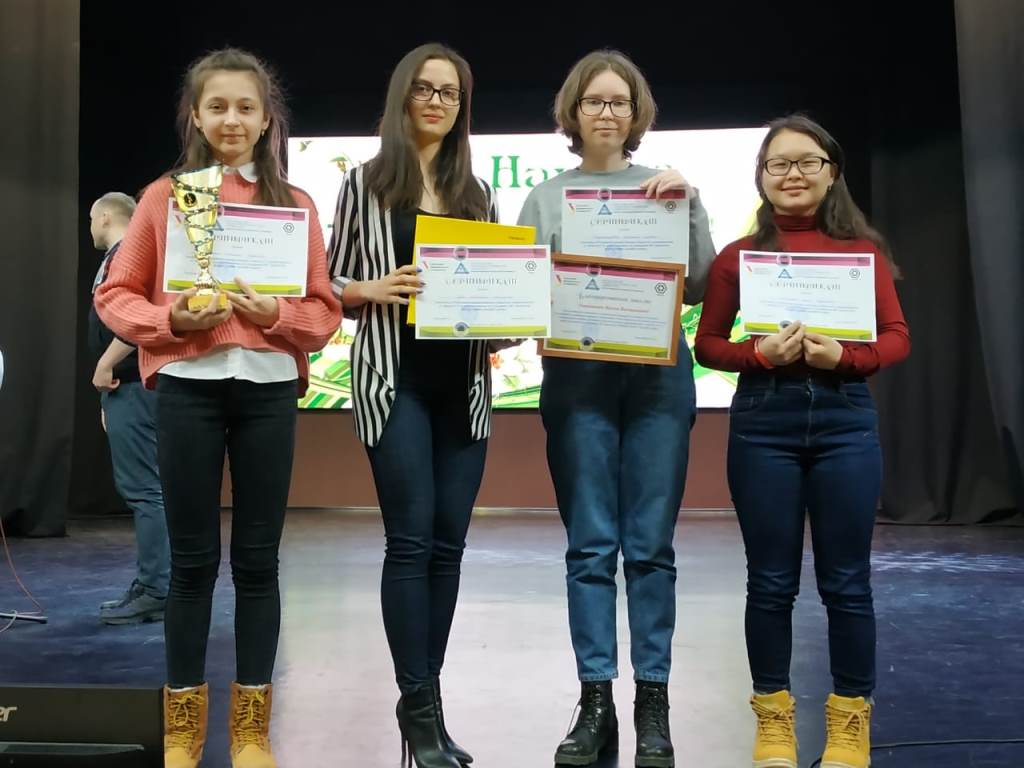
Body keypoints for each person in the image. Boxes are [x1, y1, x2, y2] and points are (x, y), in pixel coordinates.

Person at [95, 47, 341, 768]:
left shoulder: (295, 206)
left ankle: (252, 730)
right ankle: (182, 728)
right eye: (217, 107)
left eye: (245, 107)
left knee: (259, 563)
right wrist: (172, 321)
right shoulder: (165, 198)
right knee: (193, 563)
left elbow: (322, 314)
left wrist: (276, 315)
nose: (232, 119)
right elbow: (115, 294)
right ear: (195, 118)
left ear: (266, 120)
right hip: (189, 390)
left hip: (268, 391)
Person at [517, 49, 715, 768]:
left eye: (619, 102)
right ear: (573, 112)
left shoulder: (668, 188)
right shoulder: (545, 198)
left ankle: (652, 703)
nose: (607, 113)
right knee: (591, 545)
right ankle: (595, 700)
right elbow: (523, 292)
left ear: (637, 114)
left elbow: (700, 283)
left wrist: (690, 205)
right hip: (579, 382)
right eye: (594, 101)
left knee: (651, 546)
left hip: (659, 382)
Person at [694, 114, 911, 768]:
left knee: (847, 583)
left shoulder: (862, 254)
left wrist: (845, 357)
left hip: (845, 420)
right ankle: (774, 723)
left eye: (807, 162)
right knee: (770, 583)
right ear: (761, 177)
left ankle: (850, 723)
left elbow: (897, 337)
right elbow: (708, 345)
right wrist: (758, 354)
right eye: (778, 164)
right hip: (765, 422)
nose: (792, 174)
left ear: (831, 172)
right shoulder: (737, 257)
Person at [327, 42, 500, 768]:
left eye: (449, 93)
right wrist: (370, 290)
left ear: (462, 106)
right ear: (403, 97)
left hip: (464, 387)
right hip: (394, 382)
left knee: (449, 547)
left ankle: (425, 701)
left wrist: (511, 318)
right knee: (410, 542)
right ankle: (419, 707)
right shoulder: (363, 184)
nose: (436, 101)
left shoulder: (477, 192)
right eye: (425, 89)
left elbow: (496, 287)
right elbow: (327, 282)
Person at [88, 191, 171, 625]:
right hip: (126, 390)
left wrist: (106, 365)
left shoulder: (130, 256)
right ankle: (151, 582)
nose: (90, 228)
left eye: (91, 220)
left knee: (145, 490)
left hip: (136, 385)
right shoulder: (118, 258)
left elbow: (142, 318)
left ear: (104, 217)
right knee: (143, 488)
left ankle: (158, 589)